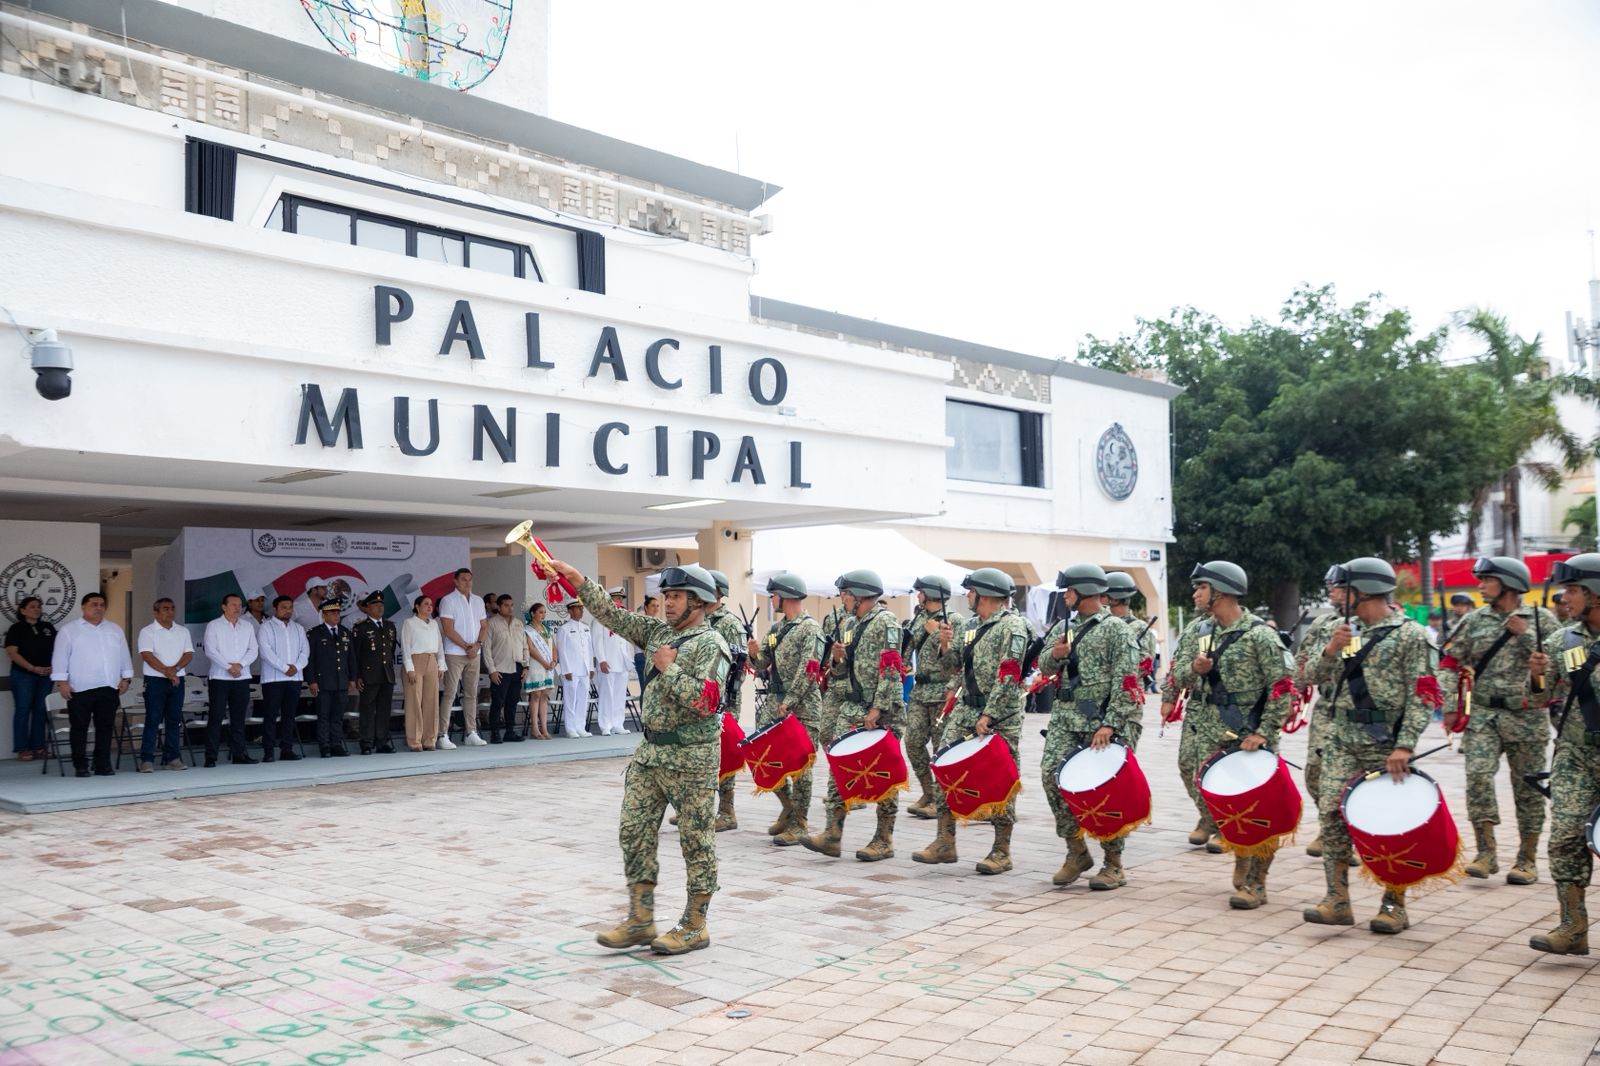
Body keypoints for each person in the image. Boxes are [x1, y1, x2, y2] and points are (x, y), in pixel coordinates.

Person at [546, 558, 730, 955]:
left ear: (698, 602)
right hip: (651, 753)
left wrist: (669, 669)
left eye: (676, 596)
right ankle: (641, 919)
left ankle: (695, 924)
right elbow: (611, 614)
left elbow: (708, 702)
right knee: (633, 831)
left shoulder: (709, 645)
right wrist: (575, 578)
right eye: (665, 595)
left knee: (695, 840)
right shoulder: (658, 631)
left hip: (692, 756)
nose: (666, 603)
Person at [1302, 557, 1437, 934]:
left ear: (1364, 591)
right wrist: (1331, 649)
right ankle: (1337, 900)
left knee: (1388, 823)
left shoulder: (1411, 635)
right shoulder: (1346, 631)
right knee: (1330, 814)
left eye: (1344, 588)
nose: (1337, 595)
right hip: (1342, 739)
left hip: (1386, 743)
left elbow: (1424, 694)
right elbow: (1308, 676)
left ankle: (1394, 904)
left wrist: (1405, 746)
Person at [1178, 562, 1295, 908]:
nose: (1195, 593)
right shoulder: (1202, 632)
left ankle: (1257, 882)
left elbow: (1283, 686)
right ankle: (1242, 856)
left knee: (1259, 807)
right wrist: (1194, 669)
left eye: (1201, 587)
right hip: (1208, 732)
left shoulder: (1260, 635)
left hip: (1249, 734)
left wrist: (1264, 732)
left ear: (1222, 591)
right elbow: (1179, 678)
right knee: (1225, 804)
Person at [1439, 556, 1558, 886]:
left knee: (1528, 788)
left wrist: (1526, 635)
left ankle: (1527, 859)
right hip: (1483, 715)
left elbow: (1561, 662)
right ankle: (1485, 852)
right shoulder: (1475, 621)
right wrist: (1450, 706)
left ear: (1508, 584)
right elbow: (1449, 661)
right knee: (1477, 776)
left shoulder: (1541, 619)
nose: (1480, 585)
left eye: (1487, 580)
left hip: (1527, 716)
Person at [1035, 564, 1144, 889]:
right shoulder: (1063, 627)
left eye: (1069, 590)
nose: (1065, 596)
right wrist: (1055, 654)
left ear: (1083, 591)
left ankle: (1114, 862)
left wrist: (1111, 724)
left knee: (1106, 790)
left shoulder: (1117, 630)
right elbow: (1041, 665)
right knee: (1051, 776)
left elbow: (1128, 683)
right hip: (1065, 718)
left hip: (1101, 722)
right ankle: (1076, 850)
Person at [913, 568, 1026, 873]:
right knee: (945, 767)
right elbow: (954, 668)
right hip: (965, 709)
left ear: (986, 593)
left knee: (1001, 779)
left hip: (1000, 714)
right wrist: (946, 644)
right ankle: (945, 841)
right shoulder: (972, 625)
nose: (968, 596)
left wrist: (990, 714)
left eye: (971, 591)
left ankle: (1001, 850)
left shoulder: (1012, 627)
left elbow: (1009, 676)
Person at [802, 569, 904, 862]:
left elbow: (891, 667)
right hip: (852, 706)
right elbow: (841, 673)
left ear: (860, 594)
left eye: (846, 593)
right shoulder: (849, 624)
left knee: (883, 772)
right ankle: (833, 834)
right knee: (840, 767)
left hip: (880, 710)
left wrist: (879, 707)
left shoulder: (886, 622)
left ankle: (884, 838)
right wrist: (837, 659)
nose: (842, 598)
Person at [1531, 553, 1600, 955]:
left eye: (1573, 590)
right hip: (1575, 754)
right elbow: (1539, 697)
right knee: (1565, 838)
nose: (1565, 597)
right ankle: (1573, 926)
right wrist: (1537, 673)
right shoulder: (1562, 640)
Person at [746, 572, 825, 845]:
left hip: (802, 706)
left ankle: (800, 823)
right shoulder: (777, 630)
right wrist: (754, 652)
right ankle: (789, 807)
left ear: (787, 595)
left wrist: (789, 701)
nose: (772, 599)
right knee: (764, 757)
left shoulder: (810, 629)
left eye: (775, 594)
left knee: (802, 765)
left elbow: (809, 671)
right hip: (775, 703)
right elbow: (759, 665)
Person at [1294, 572, 1351, 858]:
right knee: (1315, 772)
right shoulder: (1323, 624)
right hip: (1326, 708)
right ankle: (1330, 825)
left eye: (1338, 586)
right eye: (1329, 584)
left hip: (1360, 712)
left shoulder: (1380, 627)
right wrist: (1292, 693)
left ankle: (1348, 834)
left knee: (1352, 777)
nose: (1331, 589)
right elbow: (1303, 663)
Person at [50, 591, 132, 777]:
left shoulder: (114, 629)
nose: (98, 608)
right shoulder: (70, 630)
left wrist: (126, 678)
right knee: (80, 728)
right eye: (94, 604)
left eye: (102, 604)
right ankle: (80, 765)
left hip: (108, 686)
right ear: (83, 607)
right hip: (80, 687)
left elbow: (124, 655)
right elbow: (60, 657)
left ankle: (102, 763)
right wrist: (62, 682)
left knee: (105, 727)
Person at [902, 575, 962, 820]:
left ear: (930, 594)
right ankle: (928, 791)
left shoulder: (954, 619)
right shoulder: (919, 618)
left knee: (940, 748)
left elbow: (957, 658)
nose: (918, 596)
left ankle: (942, 799)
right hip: (920, 690)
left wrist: (938, 633)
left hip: (941, 691)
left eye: (920, 593)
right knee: (913, 742)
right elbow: (907, 647)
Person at [1161, 600, 1219, 850]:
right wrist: (1168, 697)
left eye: (1202, 588)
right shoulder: (1197, 628)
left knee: (1218, 771)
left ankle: (1227, 825)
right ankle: (1208, 818)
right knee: (1187, 765)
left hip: (1231, 713)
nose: (1195, 594)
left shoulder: (1251, 629)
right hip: (1198, 709)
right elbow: (1178, 668)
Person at [704, 570, 750, 831]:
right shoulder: (700, 620)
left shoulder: (729, 624)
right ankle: (702, 806)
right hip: (702, 700)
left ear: (717, 593)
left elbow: (739, 667)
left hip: (724, 701)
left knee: (725, 753)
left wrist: (722, 697)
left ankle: (727, 811)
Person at [135, 597, 194, 772]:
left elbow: (188, 654)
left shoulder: (182, 631)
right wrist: (167, 672)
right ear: (156, 612)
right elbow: (147, 655)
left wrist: (174, 670)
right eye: (166, 608)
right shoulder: (147, 631)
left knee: (174, 720)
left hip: (177, 680)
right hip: (155, 681)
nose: (170, 611)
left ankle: (173, 758)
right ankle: (147, 759)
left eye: (172, 608)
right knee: (153, 719)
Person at [203, 593, 259, 767]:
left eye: (239, 605)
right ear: (224, 607)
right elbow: (210, 650)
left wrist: (240, 665)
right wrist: (229, 667)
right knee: (216, 717)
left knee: (238, 718)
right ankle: (211, 756)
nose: (237, 608)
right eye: (233, 605)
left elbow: (253, 650)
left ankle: (239, 754)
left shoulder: (247, 626)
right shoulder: (214, 625)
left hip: (241, 678)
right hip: (220, 677)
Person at [436, 568, 488, 749]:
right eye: (464, 579)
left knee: (471, 694)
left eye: (470, 579)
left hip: (475, 653)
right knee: (450, 693)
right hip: (455, 653)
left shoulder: (478, 601)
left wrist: (477, 645)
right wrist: (467, 646)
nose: (468, 582)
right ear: (456, 581)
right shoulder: (448, 600)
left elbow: (484, 626)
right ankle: (442, 734)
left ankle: (470, 732)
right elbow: (448, 629)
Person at [257, 594, 308, 761]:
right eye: (284, 607)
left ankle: (287, 749)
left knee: (289, 716)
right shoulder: (266, 627)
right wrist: (285, 667)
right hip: (273, 679)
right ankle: (269, 751)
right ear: (275, 609)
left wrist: (296, 667)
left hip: (294, 678)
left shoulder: (298, 628)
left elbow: (305, 652)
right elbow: (265, 652)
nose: (288, 611)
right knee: (271, 716)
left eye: (290, 608)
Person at [5, 595, 55, 762]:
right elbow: (12, 652)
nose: (37, 609)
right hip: (23, 675)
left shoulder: (47, 627)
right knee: (23, 709)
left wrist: (54, 667)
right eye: (32, 606)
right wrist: (33, 668)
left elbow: (59, 649)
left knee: (41, 711)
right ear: (23, 610)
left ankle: (39, 746)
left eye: (39, 606)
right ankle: (22, 748)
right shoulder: (16, 628)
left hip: (46, 675)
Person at [306, 598, 356, 757]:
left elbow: (351, 658)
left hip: (341, 681)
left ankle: (336, 744)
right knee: (324, 716)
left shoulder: (345, 632)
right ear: (324, 615)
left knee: (337, 716)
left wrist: (352, 678)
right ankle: (324, 746)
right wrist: (312, 680)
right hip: (323, 682)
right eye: (332, 613)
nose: (336, 615)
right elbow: (310, 660)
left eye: (338, 612)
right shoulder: (315, 633)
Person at [352, 591, 398, 754]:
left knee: (384, 710)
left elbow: (390, 650)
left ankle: (382, 742)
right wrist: (357, 676)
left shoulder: (390, 626)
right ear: (368, 608)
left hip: (386, 674)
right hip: (369, 675)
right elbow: (356, 654)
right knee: (367, 710)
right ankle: (366, 742)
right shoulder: (361, 628)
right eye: (376, 605)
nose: (380, 608)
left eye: (381, 605)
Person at [400, 595, 444, 752]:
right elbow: (405, 646)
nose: (429, 606)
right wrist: (409, 668)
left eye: (431, 604)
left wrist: (441, 665)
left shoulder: (433, 624)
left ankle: (429, 739)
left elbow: (439, 646)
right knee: (414, 702)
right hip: (415, 660)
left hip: (431, 660)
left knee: (431, 701)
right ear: (417, 606)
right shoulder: (409, 623)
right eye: (425, 604)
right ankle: (414, 740)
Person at [485, 593, 529, 743]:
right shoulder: (491, 623)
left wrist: (526, 666)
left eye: (511, 605)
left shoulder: (518, 623)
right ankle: (495, 733)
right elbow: (486, 649)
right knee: (498, 702)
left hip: (517, 667)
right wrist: (492, 670)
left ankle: (509, 731)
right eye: (506, 605)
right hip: (500, 669)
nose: (510, 608)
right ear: (498, 606)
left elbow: (525, 646)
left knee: (512, 702)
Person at [1106, 572, 1159, 691]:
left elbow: (1144, 665)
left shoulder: (1140, 627)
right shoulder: (1100, 625)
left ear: (1114, 599)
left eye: (1103, 595)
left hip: (1126, 696)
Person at [593, 586, 633, 737]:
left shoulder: (623, 616)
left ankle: (618, 723)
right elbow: (597, 641)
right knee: (606, 695)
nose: (619, 601)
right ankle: (605, 725)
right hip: (608, 662)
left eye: (621, 599)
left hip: (621, 662)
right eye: (616, 598)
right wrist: (601, 660)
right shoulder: (601, 617)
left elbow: (627, 641)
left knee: (619, 695)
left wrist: (629, 659)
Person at [556, 601, 594, 738]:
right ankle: (571, 728)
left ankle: (580, 727)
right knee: (570, 700)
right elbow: (562, 651)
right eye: (578, 608)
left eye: (581, 608)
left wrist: (591, 667)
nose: (581, 611)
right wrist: (566, 670)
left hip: (584, 670)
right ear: (570, 611)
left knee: (583, 699)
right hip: (571, 670)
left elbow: (589, 649)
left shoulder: (585, 628)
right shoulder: (564, 629)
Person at [522, 602, 556, 740]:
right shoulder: (528, 629)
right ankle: (535, 728)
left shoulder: (546, 629)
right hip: (536, 664)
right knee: (536, 694)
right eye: (540, 612)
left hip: (548, 665)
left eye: (544, 612)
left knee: (544, 695)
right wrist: (544, 662)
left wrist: (554, 660)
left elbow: (553, 647)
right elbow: (531, 648)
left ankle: (545, 728)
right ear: (532, 614)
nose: (543, 615)